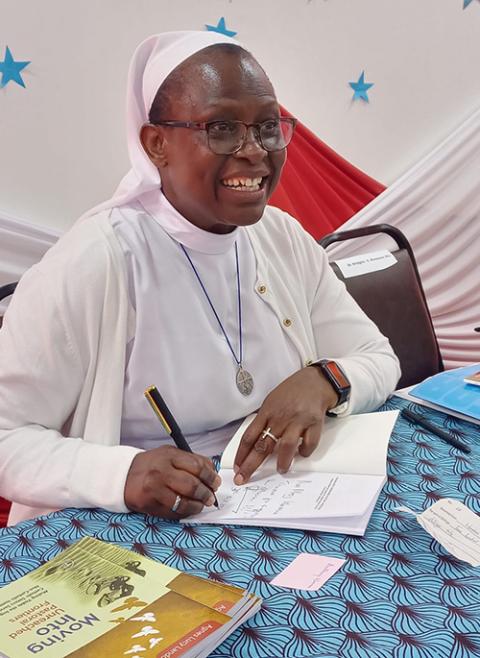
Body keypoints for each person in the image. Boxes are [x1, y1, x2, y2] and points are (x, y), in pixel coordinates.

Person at [0, 31, 400, 526]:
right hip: (130, 526)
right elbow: (6, 436)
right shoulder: (96, 261)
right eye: (223, 128)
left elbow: (378, 359)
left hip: (279, 499)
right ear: (156, 144)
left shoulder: (281, 238)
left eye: (268, 127)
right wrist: (122, 473)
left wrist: (324, 380)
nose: (255, 151)